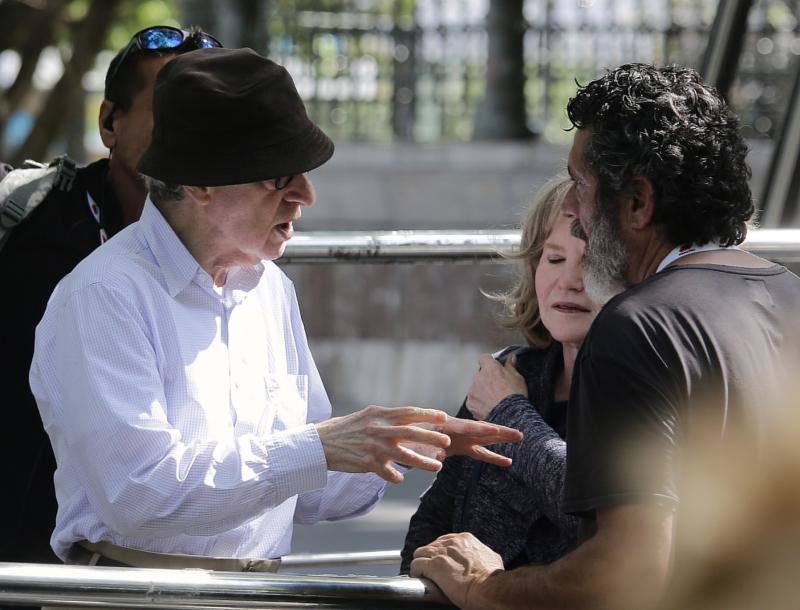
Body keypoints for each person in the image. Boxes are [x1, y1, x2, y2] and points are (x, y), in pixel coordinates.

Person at [29, 47, 521, 570]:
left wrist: (401, 444)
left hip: (259, 588)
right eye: (278, 176)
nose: (305, 194)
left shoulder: (268, 289)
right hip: (135, 593)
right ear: (199, 184)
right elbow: (140, 498)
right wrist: (322, 447)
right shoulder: (105, 295)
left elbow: (305, 492)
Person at [410, 63, 800, 610]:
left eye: (580, 186)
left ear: (637, 202)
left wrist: (483, 588)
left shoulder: (636, 325)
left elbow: (626, 572)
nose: (571, 211)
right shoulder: (791, 296)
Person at [0, 24, 223, 564]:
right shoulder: (32, 217)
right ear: (109, 122)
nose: (192, 133)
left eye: (210, 116)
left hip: (150, 559)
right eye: (171, 109)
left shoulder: (239, 249)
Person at [400, 176, 597, 573]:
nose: (569, 282)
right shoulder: (512, 370)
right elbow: (434, 523)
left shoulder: (645, 383)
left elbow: (601, 517)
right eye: (554, 259)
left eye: (591, 263)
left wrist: (510, 413)